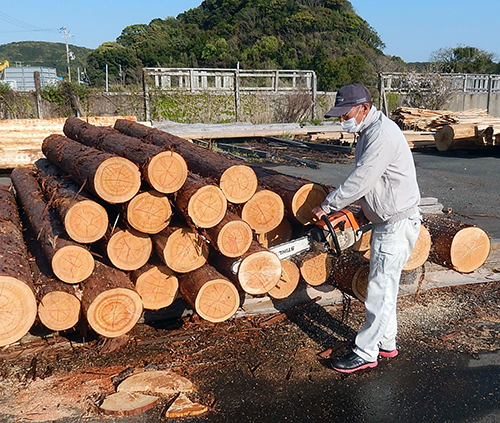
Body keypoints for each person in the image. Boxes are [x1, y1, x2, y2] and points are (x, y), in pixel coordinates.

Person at [312, 83, 421, 373]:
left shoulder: (381, 135)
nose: (341, 120)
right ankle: (386, 342)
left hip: (395, 223)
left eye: (344, 114)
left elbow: (363, 178)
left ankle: (366, 351)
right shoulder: (369, 132)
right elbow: (374, 182)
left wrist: (329, 205)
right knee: (385, 287)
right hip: (388, 220)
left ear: (363, 107)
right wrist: (360, 210)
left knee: (379, 289)